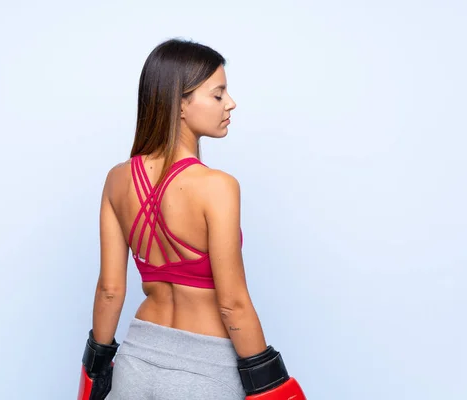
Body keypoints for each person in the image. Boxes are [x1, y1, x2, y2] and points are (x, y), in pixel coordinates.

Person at [76, 38, 306, 400]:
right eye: (218, 94)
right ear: (181, 103)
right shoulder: (218, 186)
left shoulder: (116, 180)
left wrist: (93, 374)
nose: (230, 103)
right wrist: (273, 385)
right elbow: (233, 304)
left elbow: (110, 290)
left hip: (135, 364)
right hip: (205, 372)